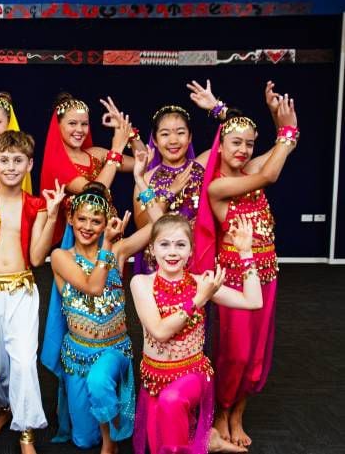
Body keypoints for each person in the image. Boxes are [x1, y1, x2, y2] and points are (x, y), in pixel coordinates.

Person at [192, 88, 298, 448]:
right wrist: (285, 132)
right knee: (233, 352)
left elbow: (276, 159)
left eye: (250, 144)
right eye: (235, 143)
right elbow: (269, 175)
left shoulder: (251, 166)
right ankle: (221, 410)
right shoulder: (219, 187)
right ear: (219, 145)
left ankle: (237, 413)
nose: (243, 150)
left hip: (265, 274)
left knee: (257, 352)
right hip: (235, 279)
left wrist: (279, 123)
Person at [0, 130, 64, 453]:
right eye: (4, 160)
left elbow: (35, 258)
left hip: (20, 290)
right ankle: (6, 409)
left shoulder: (36, 205)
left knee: (21, 362)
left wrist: (53, 214)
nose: (10, 166)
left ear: (29, 164)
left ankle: (27, 432)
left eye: (18, 160)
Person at [41, 176, 158, 452]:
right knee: (83, 440)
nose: (88, 227)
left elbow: (159, 225)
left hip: (113, 350)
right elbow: (93, 286)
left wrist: (142, 183)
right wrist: (107, 244)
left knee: (99, 381)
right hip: (77, 355)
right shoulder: (61, 257)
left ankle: (110, 445)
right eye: (82, 219)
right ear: (71, 219)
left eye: (96, 221)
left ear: (106, 224)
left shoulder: (116, 250)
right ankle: (103, 427)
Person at [131, 214, 264, 454]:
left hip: (192, 374)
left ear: (191, 250)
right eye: (165, 244)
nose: (172, 252)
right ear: (151, 248)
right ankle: (208, 440)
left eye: (180, 244)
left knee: (171, 403)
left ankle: (204, 440)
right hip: (154, 379)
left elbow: (253, 301)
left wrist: (245, 253)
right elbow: (159, 331)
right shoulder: (141, 283)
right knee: (159, 442)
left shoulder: (201, 283)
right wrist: (198, 299)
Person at [39, 93, 136, 243]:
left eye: (84, 124)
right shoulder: (57, 165)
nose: (79, 129)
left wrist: (128, 131)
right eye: (72, 123)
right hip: (81, 240)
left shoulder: (96, 154)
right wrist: (116, 149)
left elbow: (142, 162)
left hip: (109, 234)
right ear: (58, 126)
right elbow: (96, 191)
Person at [131, 104, 204, 275]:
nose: (173, 140)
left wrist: (217, 108)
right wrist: (169, 192)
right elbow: (142, 224)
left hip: (195, 258)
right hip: (157, 264)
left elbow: (232, 135)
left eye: (180, 133)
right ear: (155, 140)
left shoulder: (202, 167)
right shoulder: (146, 178)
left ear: (190, 136)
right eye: (165, 134)